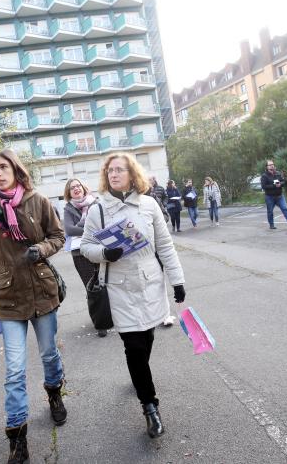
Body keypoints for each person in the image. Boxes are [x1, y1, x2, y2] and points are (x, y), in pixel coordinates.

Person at [80, 152, 186, 439]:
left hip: (151, 282)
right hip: (119, 286)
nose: (114, 174)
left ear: (132, 174)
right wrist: (104, 253)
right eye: (110, 171)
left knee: (147, 338)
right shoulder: (98, 210)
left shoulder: (149, 204)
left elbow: (165, 246)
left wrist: (177, 281)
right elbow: (86, 246)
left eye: (120, 170)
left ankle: (139, 377)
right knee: (134, 347)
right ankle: (150, 405)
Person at [0, 149, 67, 464]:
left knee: (49, 355)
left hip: (42, 291)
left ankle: (54, 392)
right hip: (9, 298)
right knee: (14, 371)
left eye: (4, 167)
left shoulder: (38, 201)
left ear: (16, 170)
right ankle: (17, 439)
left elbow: (58, 236)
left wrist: (40, 249)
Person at [62, 178, 108, 337]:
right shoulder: (68, 208)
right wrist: (89, 227)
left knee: (107, 283)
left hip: (98, 247)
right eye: (72, 188)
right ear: (69, 193)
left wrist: (81, 226)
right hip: (79, 253)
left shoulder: (95, 203)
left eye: (78, 186)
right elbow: (69, 230)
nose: (76, 189)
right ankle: (100, 322)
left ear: (83, 187)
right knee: (92, 286)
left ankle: (113, 315)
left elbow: (102, 225)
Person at [260, 160, 287, 230]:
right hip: (269, 197)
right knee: (270, 211)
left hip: (279, 196)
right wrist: (274, 185)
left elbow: (283, 181)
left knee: (285, 208)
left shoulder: (277, 173)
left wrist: (280, 184)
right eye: (270, 165)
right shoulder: (264, 176)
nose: (272, 165)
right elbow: (264, 186)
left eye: (273, 164)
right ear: (266, 167)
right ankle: (271, 225)